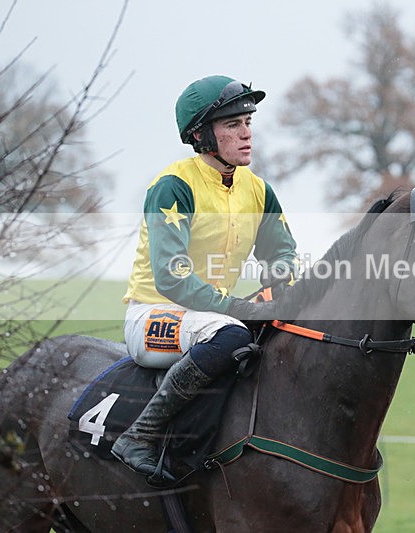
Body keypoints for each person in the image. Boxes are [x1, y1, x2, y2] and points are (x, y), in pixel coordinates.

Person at [112, 75, 298, 485]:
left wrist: (278, 282)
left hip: (212, 316)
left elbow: (283, 254)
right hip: (154, 317)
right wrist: (241, 307)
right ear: (201, 134)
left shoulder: (259, 190)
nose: (246, 133)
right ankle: (138, 436)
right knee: (233, 336)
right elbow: (173, 278)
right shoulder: (172, 186)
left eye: (248, 121)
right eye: (233, 125)